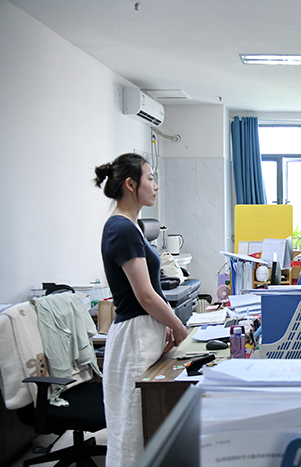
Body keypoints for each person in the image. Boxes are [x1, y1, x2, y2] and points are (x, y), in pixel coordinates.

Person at [95, 153, 189, 467]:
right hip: (133, 337)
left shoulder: (131, 227)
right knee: (132, 433)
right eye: (150, 178)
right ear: (131, 184)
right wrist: (177, 326)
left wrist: (166, 326)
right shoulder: (120, 229)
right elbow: (145, 296)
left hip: (142, 332)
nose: (156, 186)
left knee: (143, 427)